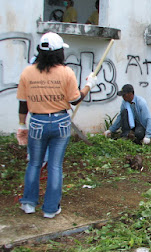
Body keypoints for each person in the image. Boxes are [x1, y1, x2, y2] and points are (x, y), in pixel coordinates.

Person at [16, 32, 97, 218]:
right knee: (54, 166)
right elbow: (75, 100)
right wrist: (89, 85)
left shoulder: (28, 72)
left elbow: (22, 103)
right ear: (59, 52)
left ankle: (28, 203)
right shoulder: (66, 72)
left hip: (36, 122)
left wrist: (22, 125)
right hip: (60, 122)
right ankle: (51, 209)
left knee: (34, 164)